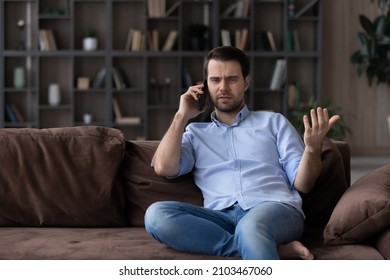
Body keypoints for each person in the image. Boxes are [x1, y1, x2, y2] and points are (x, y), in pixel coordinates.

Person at [144, 46, 340, 260]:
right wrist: (181, 116)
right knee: (156, 215)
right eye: (215, 80)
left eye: (232, 79)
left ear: (246, 82)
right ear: (205, 86)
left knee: (251, 227)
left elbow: (303, 184)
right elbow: (164, 167)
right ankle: (269, 248)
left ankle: (256, 240)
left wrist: (312, 149)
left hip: (274, 209)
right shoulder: (195, 133)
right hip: (221, 217)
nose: (223, 87)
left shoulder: (273, 123)